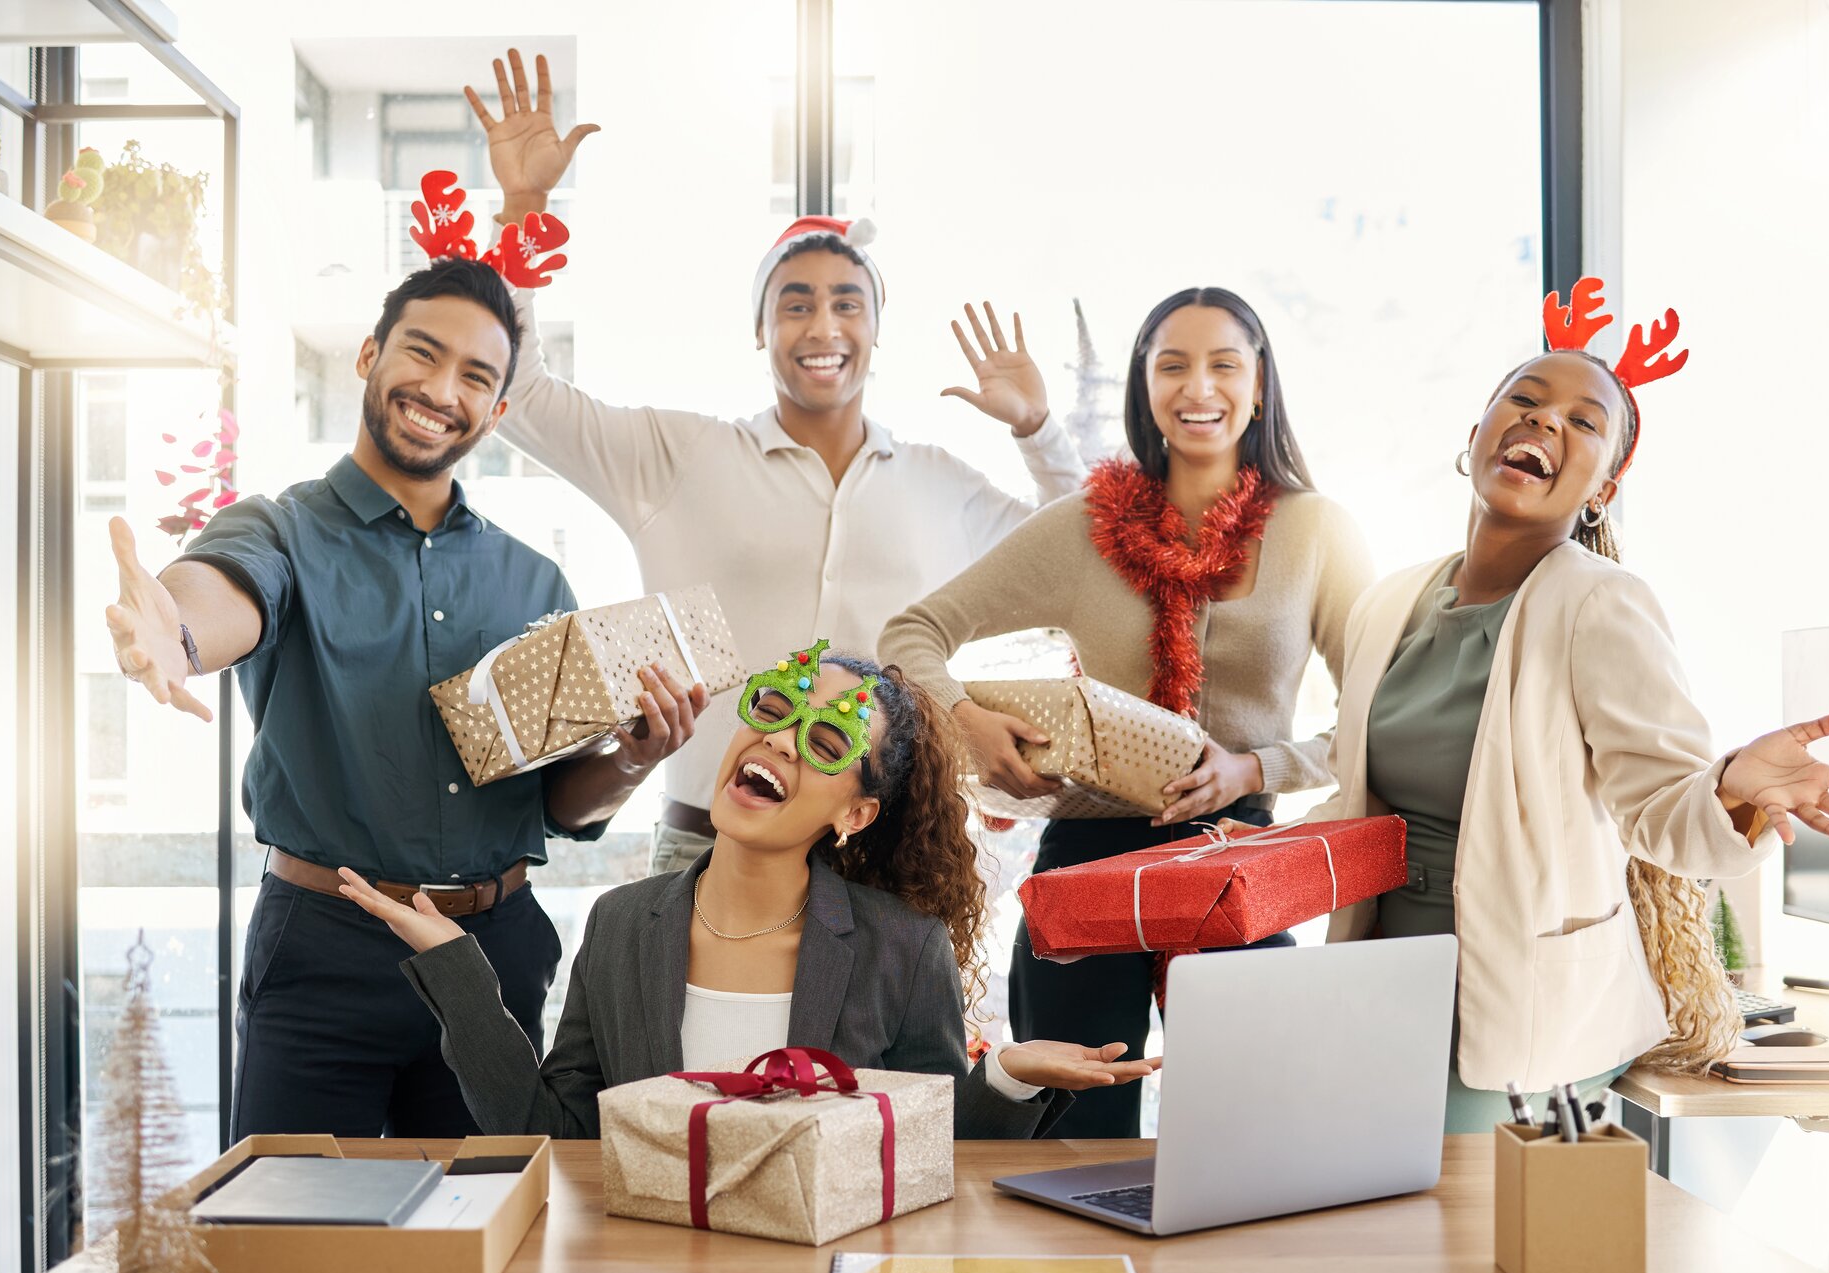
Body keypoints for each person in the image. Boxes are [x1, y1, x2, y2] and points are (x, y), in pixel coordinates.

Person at [104, 256, 705, 1138]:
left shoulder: (532, 580)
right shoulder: (280, 529)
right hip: (324, 949)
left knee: (490, 1249)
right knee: (292, 1242)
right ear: (368, 356)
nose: (440, 389)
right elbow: (222, 592)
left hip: (493, 952)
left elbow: (563, 805)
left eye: (475, 376)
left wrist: (632, 761)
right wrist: (176, 636)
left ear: (497, 412)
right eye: (422, 353)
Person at [459, 49, 1090, 879]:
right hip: (703, 847)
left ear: (875, 329)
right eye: (794, 303)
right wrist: (523, 206)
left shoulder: (940, 484)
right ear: (761, 330)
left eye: (845, 303)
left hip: (884, 849)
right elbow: (527, 396)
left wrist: (1039, 429)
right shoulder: (681, 456)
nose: (821, 325)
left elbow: (1083, 547)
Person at [1308, 278, 1829, 1129]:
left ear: (1603, 491)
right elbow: (1352, 777)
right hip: (1380, 977)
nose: (1546, 421)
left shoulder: (1600, 604)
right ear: (1475, 437)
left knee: (1453, 1241)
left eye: (1584, 423)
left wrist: (1732, 785)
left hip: (1522, 1002)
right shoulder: (1390, 601)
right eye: (1527, 399)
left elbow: (1661, 813)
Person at [880, 287, 1375, 1137]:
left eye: (1225, 364)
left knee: (1254, 1127)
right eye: (1172, 365)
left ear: (1260, 387)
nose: (1199, 388)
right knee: (1072, 1133)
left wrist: (1256, 768)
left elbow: (1377, 710)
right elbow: (911, 632)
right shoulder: (1081, 526)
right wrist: (967, 718)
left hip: (1235, 856)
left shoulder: (1317, 531)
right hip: (1089, 859)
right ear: (1143, 386)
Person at [339, 643, 1159, 1138]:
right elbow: (551, 1131)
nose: (781, 740)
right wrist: (461, 974)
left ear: (856, 812)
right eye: (776, 706)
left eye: (829, 740)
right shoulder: (621, 924)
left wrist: (1010, 1075)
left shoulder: (900, 947)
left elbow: (931, 1150)